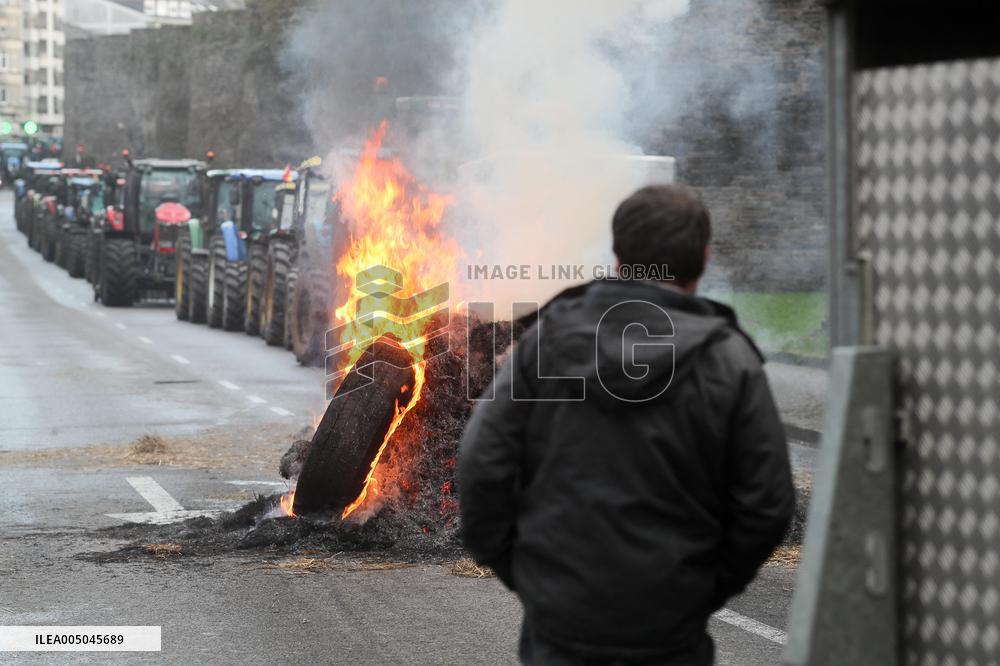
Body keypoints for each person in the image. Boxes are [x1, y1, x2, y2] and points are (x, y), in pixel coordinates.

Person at [457, 184, 795, 665]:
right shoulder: (730, 360)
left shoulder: (545, 343)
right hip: (672, 630)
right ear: (704, 257)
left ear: (617, 257)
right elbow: (767, 503)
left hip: (559, 623)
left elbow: (481, 467)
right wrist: (703, 587)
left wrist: (525, 572)